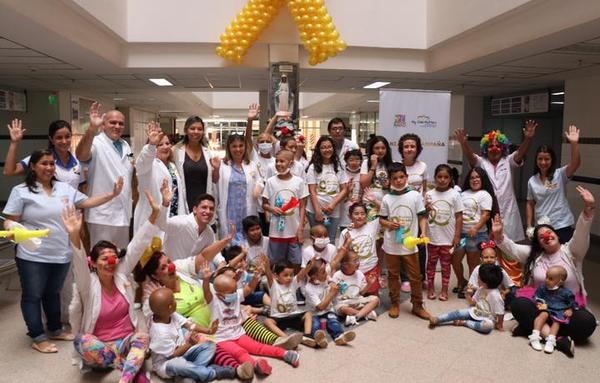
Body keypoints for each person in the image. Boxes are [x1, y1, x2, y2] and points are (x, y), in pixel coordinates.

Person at [2, 150, 123, 354]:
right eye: (44, 164)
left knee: (53, 293)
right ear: (32, 166)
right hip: (32, 255)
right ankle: (37, 336)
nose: (49, 168)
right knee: (33, 295)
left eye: (51, 164)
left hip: (60, 252)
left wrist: (111, 194)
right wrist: (11, 228)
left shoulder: (64, 188)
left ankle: (55, 328)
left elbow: (86, 202)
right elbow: (10, 220)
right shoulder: (21, 191)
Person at [63, 190, 163, 382]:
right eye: (104, 258)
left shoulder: (121, 275)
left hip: (126, 342)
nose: (111, 261)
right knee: (81, 340)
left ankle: (124, 379)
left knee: (142, 337)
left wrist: (154, 214)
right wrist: (74, 235)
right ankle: (128, 366)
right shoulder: (87, 285)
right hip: (100, 350)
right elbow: (77, 261)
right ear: (92, 263)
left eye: (114, 257)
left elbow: (138, 244)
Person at [493, 185, 596, 353]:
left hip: (567, 309)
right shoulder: (534, 255)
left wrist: (588, 208)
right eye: (541, 237)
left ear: (556, 234)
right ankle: (559, 339)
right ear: (539, 243)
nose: (546, 237)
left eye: (549, 232)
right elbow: (511, 248)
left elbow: (581, 233)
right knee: (518, 304)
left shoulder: (572, 251)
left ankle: (531, 329)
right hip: (540, 306)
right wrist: (498, 235)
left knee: (587, 322)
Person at [202, 264, 300, 377]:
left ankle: (285, 354)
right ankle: (255, 365)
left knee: (258, 347)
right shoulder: (213, 300)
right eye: (232, 291)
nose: (235, 293)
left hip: (239, 333)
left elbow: (248, 288)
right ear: (219, 293)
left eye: (235, 290)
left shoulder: (236, 295)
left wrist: (256, 276)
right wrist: (206, 279)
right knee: (240, 353)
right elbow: (206, 292)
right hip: (222, 339)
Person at [454, 122, 537, 243]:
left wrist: (528, 138)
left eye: (498, 146)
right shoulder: (481, 162)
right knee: (489, 246)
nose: (494, 149)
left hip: (508, 210)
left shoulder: (508, 161)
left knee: (509, 248)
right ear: (485, 149)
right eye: (491, 146)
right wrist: (464, 143)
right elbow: (471, 157)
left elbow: (520, 153)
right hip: (488, 209)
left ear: (503, 148)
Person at [75, 102, 134, 248]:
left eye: (121, 123)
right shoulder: (96, 142)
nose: (117, 126)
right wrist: (91, 129)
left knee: (121, 258)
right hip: (102, 214)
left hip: (123, 213)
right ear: (103, 125)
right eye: (112, 122)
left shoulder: (125, 145)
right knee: (103, 257)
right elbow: (81, 155)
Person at [148, 288, 235, 381]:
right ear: (169, 307)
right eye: (174, 299)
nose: (176, 300)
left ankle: (191, 375)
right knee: (178, 364)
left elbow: (189, 325)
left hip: (183, 353)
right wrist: (189, 344)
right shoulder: (159, 333)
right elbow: (172, 355)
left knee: (210, 345)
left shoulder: (169, 314)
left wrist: (208, 331)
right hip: (167, 363)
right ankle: (213, 373)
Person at [379, 162, 429, 320]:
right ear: (390, 180)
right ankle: (395, 303)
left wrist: (423, 233)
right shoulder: (387, 198)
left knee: (415, 276)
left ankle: (418, 305)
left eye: (401, 177)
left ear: (406, 177)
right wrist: (389, 224)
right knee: (393, 275)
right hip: (391, 244)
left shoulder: (415, 195)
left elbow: (422, 216)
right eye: (395, 178)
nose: (399, 181)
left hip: (410, 244)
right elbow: (381, 220)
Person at [526, 125, 581, 243]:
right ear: (536, 160)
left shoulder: (560, 174)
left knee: (564, 257)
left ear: (552, 160)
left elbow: (575, 164)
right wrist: (529, 226)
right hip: (542, 225)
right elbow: (530, 204)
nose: (543, 162)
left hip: (562, 224)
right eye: (540, 159)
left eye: (547, 159)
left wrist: (574, 144)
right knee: (544, 258)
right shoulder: (532, 181)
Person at [453, 167, 499, 298]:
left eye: (477, 177)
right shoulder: (463, 193)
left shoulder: (485, 194)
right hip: (461, 234)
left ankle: (470, 287)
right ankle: (462, 281)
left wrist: (475, 228)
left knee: (472, 264)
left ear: (482, 179)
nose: (475, 180)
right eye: (472, 177)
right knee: (455, 260)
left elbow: (486, 215)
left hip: (477, 234)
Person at [4, 119, 84, 189]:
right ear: (51, 139)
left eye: (67, 136)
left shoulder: (78, 159)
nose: (64, 141)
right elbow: (9, 171)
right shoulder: (41, 157)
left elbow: (82, 187)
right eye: (59, 137)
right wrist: (14, 143)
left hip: (72, 206)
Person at [262, 149, 308, 268]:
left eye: (282, 161)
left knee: (296, 261)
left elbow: (303, 206)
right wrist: (272, 209)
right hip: (276, 231)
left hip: (294, 230)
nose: (278, 164)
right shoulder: (270, 182)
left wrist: (301, 228)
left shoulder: (299, 182)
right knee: (275, 261)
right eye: (277, 161)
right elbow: (264, 204)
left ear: (291, 163)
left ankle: (294, 284)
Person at [134, 122, 183, 235]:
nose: (165, 147)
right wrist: (151, 144)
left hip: (172, 217)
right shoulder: (148, 166)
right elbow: (143, 160)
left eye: (167, 143)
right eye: (160, 144)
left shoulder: (172, 165)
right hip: (153, 218)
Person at [428, 264, 505, 334]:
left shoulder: (496, 296)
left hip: (487, 319)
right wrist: (467, 295)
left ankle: (465, 323)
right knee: (458, 313)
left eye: (478, 278)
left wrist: (499, 325)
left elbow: (500, 312)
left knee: (488, 327)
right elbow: (472, 303)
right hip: (474, 312)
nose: (477, 279)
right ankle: (438, 319)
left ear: (485, 282)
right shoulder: (481, 289)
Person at [425, 164, 464, 301]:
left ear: (450, 178)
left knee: (446, 266)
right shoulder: (429, 194)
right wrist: (427, 209)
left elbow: (459, 216)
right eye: (439, 177)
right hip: (432, 238)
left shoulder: (455, 194)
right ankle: (430, 288)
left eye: (446, 177)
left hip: (448, 239)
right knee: (431, 264)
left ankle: (444, 290)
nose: (442, 180)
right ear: (435, 178)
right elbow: (423, 215)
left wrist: (457, 236)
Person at [216, 133, 262, 244]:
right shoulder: (223, 165)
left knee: (248, 239)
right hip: (229, 211)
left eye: (241, 145)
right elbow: (215, 185)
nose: (238, 149)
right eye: (234, 146)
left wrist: (258, 187)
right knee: (230, 240)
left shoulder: (252, 165)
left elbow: (260, 180)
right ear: (229, 148)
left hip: (247, 209)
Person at [261, 257, 316, 347]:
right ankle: (287, 338)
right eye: (285, 275)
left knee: (308, 314)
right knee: (267, 322)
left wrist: (309, 267)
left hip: (293, 315)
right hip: (278, 317)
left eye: (291, 274)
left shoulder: (293, 283)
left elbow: (302, 274)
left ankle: (307, 336)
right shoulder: (273, 285)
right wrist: (267, 265)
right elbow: (268, 275)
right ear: (276, 276)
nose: (289, 278)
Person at [172, 116, 219, 213]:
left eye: (200, 129)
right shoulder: (176, 151)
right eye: (192, 128)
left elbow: (214, 180)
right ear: (186, 130)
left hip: (204, 202)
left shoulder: (208, 152)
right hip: (185, 201)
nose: (196, 132)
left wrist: (217, 169)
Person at [305, 136, 349, 243]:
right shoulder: (313, 167)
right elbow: (312, 190)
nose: (327, 150)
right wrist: (317, 211)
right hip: (315, 210)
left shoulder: (338, 166)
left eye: (329, 147)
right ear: (319, 150)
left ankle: (330, 260)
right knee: (318, 240)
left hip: (333, 210)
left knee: (331, 240)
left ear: (333, 148)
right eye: (323, 147)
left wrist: (332, 204)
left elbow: (344, 189)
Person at [304, 259, 357, 347]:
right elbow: (320, 307)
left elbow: (334, 263)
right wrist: (332, 293)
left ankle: (339, 337)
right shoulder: (309, 288)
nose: (327, 273)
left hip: (328, 310)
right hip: (314, 313)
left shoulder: (325, 278)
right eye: (323, 272)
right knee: (315, 325)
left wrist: (337, 287)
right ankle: (319, 339)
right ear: (314, 277)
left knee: (333, 321)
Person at [528, 266, 578, 354]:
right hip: (546, 307)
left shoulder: (566, 292)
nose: (546, 280)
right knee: (543, 315)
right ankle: (534, 336)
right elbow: (536, 296)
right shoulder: (542, 287)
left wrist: (570, 309)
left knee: (557, 322)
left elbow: (572, 302)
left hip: (558, 310)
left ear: (560, 281)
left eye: (550, 279)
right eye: (546, 277)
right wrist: (538, 302)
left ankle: (551, 340)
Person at [245, 104, 276, 235]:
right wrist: (250, 121)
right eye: (261, 141)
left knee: (272, 235)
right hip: (256, 207)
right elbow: (247, 139)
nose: (265, 144)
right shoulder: (254, 157)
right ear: (257, 145)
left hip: (272, 206)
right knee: (258, 235)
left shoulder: (276, 161)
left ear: (273, 144)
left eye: (268, 141)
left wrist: (276, 117)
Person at [157, 193, 218, 261]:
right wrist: (164, 204)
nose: (208, 211)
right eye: (204, 207)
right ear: (195, 209)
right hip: (169, 269)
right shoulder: (182, 222)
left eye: (211, 209)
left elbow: (214, 250)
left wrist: (221, 263)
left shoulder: (209, 232)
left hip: (190, 271)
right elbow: (161, 224)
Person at [338, 203, 381, 296]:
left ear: (366, 215)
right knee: (354, 297)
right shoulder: (345, 232)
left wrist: (374, 201)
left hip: (371, 268)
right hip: (354, 271)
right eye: (356, 214)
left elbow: (385, 212)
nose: (360, 216)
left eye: (362, 214)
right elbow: (340, 255)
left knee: (373, 298)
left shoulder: (372, 226)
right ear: (350, 216)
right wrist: (346, 243)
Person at [331, 251, 380, 326]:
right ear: (345, 264)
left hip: (357, 301)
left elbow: (362, 293)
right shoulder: (337, 275)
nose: (358, 263)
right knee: (343, 308)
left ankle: (356, 316)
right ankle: (366, 313)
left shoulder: (359, 273)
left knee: (376, 300)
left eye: (358, 260)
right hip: (343, 303)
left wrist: (369, 284)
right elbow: (333, 296)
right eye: (355, 261)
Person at [464, 241, 515, 308]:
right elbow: (471, 285)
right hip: (481, 294)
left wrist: (504, 293)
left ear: (496, 258)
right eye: (486, 257)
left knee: (512, 295)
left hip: (497, 294)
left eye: (492, 257)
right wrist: (478, 289)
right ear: (481, 259)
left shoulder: (499, 269)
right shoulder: (477, 269)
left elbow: (510, 286)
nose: (489, 260)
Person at [339, 149, 363, 232]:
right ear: (346, 161)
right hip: (345, 212)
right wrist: (347, 190)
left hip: (360, 213)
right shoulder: (342, 173)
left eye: (357, 159)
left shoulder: (363, 174)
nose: (354, 162)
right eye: (351, 160)